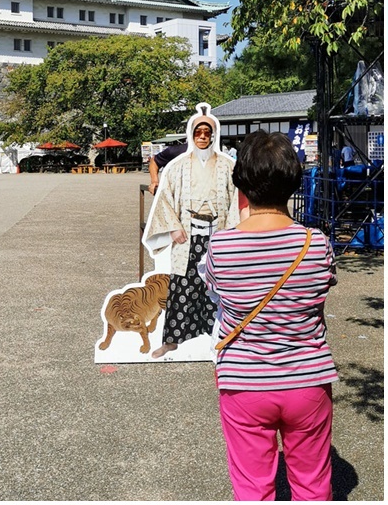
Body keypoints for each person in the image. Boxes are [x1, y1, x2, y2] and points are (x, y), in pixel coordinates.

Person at [203, 129, 337, 500]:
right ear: (294, 182)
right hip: (308, 379)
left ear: (241, 184)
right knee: (312, 482)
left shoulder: (220, 246)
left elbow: (218, 296)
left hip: (243, 381)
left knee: (252, 487)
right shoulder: (316, 244)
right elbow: (319, 300)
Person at [142, 104, 239, 358]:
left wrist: (230, 233)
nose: (203, 136)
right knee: (182, 284)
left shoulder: (228, 166)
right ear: (192, 134)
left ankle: (221, 337)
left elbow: (236, 201)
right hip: (188, 232)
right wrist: (173, 228)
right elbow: (164, 198)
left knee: (217, 284)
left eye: (208, 132)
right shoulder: (178, 166)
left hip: (217, 231)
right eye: (199, 132)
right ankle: (172, 340)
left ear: (214, 135)